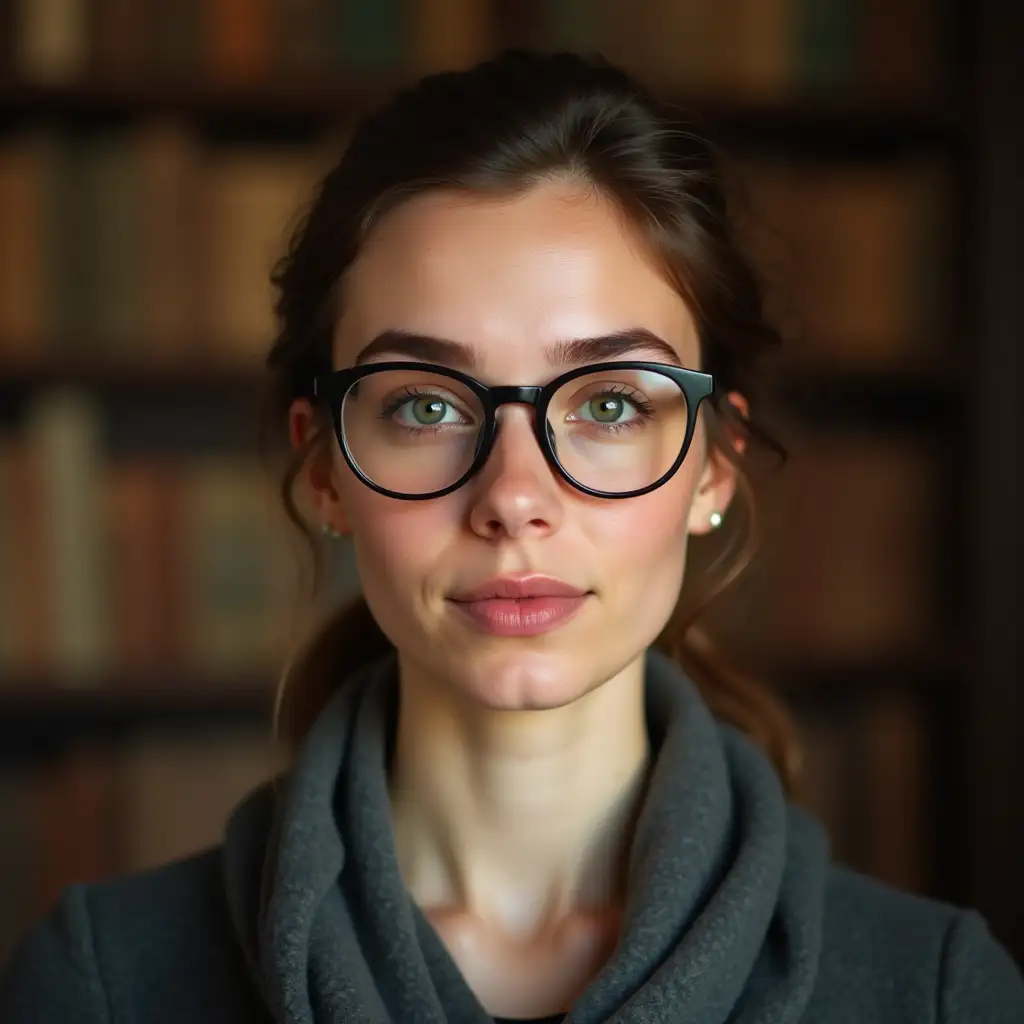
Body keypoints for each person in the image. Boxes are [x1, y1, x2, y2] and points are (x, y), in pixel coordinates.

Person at [1, 49, 1022, 1024]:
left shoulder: (931, 989)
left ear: (714, 464)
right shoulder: (105, 983)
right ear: (324, 472)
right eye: (426, 406)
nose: (515, 497)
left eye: (612, 404)